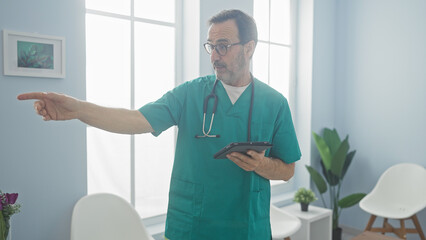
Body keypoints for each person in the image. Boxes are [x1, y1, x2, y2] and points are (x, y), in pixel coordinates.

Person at [18, 9, 301, 240]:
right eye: (211, 47)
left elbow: (288, 169)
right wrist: (78, 110)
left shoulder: (275, 103)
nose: (214, 56)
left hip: (246, 230)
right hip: (191, 228)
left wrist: (261, 165)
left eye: (223, 47)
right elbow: (135, 120)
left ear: (249, 48)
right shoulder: (190, 94)